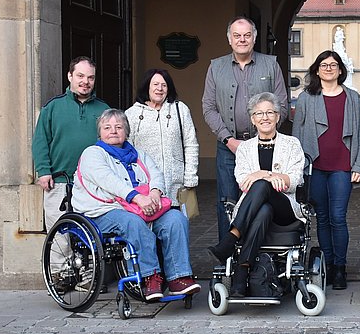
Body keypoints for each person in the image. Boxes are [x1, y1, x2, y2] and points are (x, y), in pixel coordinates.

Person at [71, 109, 201, 301]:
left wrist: (155, 193)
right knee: (132, 223)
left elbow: (156, 174)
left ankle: (178, 278)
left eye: (119, 127)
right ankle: (150, 277)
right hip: (104, 211)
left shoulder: (138, 154)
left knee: (175, 218)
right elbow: (108, 180)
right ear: (100, 133)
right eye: (107, 127)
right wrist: (138, 198)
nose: (113, 131)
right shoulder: (93, 154)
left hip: (140, 208)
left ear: (127, 131)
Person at [208, 92, 304, 297]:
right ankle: (242, 273)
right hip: (257, 210)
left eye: (270, 112)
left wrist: (266, 176)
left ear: (278, 116)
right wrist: (268, 177)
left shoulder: (292, 144)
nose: (265, 117)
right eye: (259, 113)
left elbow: (296, 179)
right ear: (252, 119)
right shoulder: (244, 149)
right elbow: (243, 181)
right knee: (264, 209)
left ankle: (232, 236)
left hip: (285, 207)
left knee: (261, 186)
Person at [202, 16, 289, 240]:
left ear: (254, 38)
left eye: (247, 35)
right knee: (227, 202)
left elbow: (282, 104)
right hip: (228, 146)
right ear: (230, 39)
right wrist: (228, 140)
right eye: (237, 35)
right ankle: (228, 256)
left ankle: (255, 255)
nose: (242, 40)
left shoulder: (270, 64)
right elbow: (209, 108)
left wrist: (264, 135)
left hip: (264, 146)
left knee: (260, 200)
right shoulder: (216, 67)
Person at [292, 50, 360, 289]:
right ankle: (327, 263)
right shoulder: (306, 98)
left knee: (338, 218)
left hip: (342, 168)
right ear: (316, 70)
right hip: (315, 168)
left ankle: (340, 268)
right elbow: (296, 135)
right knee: (322, 218)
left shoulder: (353, 98)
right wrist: (298, 167)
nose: (328, 68)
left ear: (340, 70)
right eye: (324, 65)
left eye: (333, 65)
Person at [32, 56, 109, 285]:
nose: (85, 81)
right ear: (70, 77)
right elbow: (40, 141)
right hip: (58, 180)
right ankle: (60, 275)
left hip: (92, 184)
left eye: (90, 77)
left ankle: (89, 275)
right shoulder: (53, 107)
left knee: (90, 230)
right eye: (81, 76)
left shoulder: (104, 110)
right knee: (60, 230)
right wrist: (43, 170)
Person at [125, 69, 199, 211]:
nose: (160, 89)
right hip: (145, 186)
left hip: (176, 185)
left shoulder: (180, 109)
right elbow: (127, 149)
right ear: (147, 86)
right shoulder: (132, 114)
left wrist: (190, 177)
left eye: (164, 85)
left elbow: (191, 144)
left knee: (177, 225)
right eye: (155, 84)